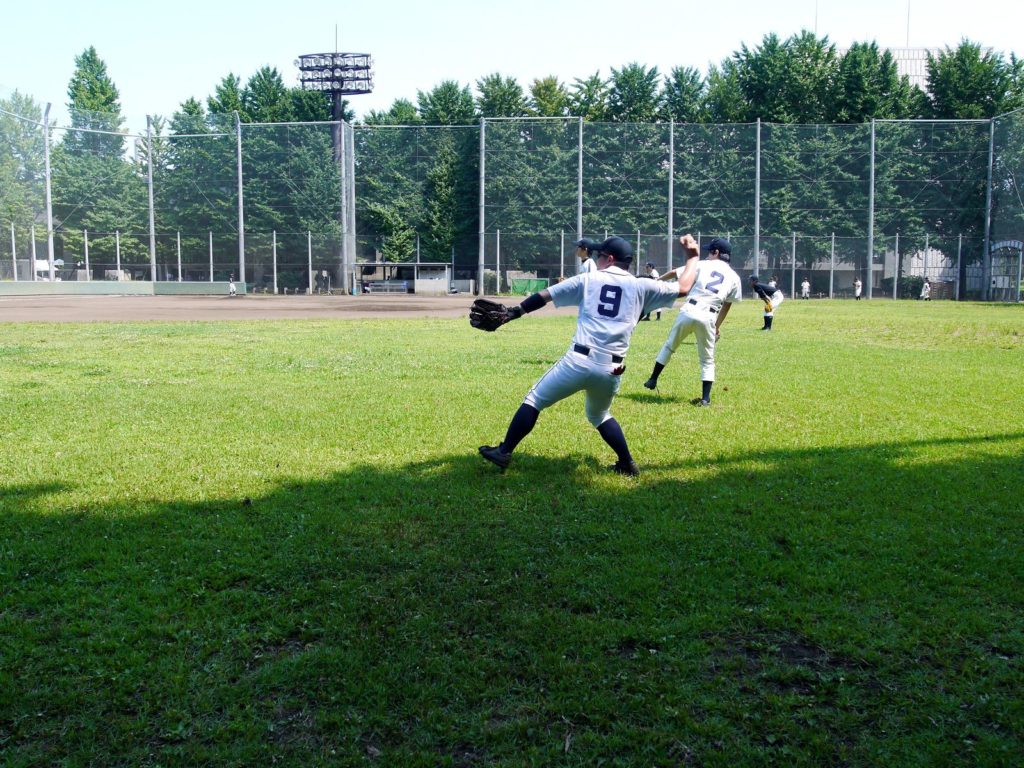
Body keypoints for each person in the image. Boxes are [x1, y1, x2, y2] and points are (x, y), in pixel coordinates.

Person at [478, 235, 702, 476]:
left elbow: (545, 295)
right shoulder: (643, 286)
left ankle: (504, 451)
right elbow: (684, 287)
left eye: (601, 255)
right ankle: (627, 463)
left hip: (578, 361)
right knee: (599, 414)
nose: (598, 259)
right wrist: (693, 257)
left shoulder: (589, 279)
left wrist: (514, 313)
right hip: (612, 369)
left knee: (535, 400)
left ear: (611, 258)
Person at [642, 237, 742, 407]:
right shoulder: (734, 277)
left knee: (669, 346)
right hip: (710, 315)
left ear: (716, 253)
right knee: (707, 360)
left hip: (690, 310)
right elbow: (727, 305)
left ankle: (652, 379)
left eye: (710, 251)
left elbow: (675, 272)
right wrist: (716, 326)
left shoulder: (704, 264)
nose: (708, 254)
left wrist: (657, 282)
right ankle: (705, 398)